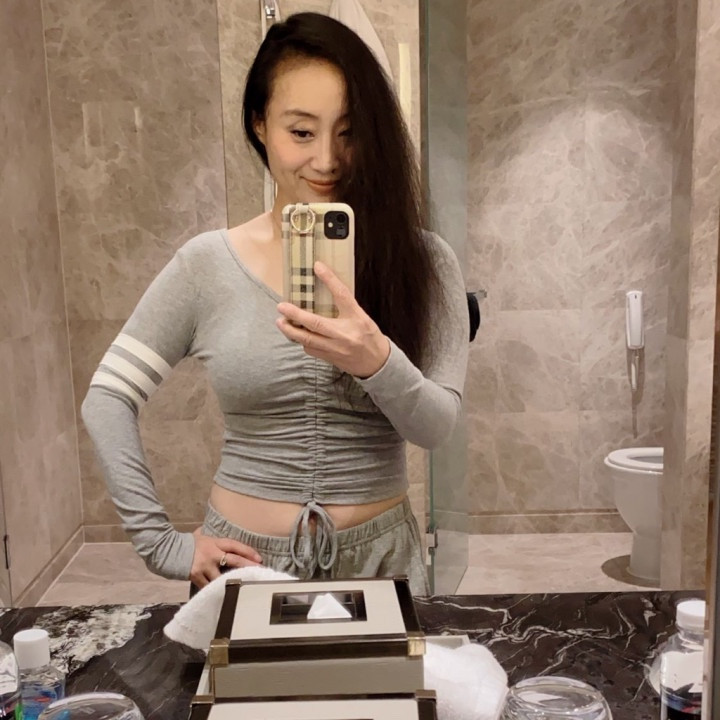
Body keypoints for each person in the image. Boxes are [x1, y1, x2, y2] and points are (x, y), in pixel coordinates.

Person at [81, 12, 468, 597]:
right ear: (260, 125)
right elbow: (108, 396)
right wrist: (162, 544)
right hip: (244, 564)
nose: (328, 160)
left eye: (349, 132)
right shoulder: (207, 263)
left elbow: (435, 428)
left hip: (380, 562)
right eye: (302, 132)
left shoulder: (424, 261)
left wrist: (376, 360)